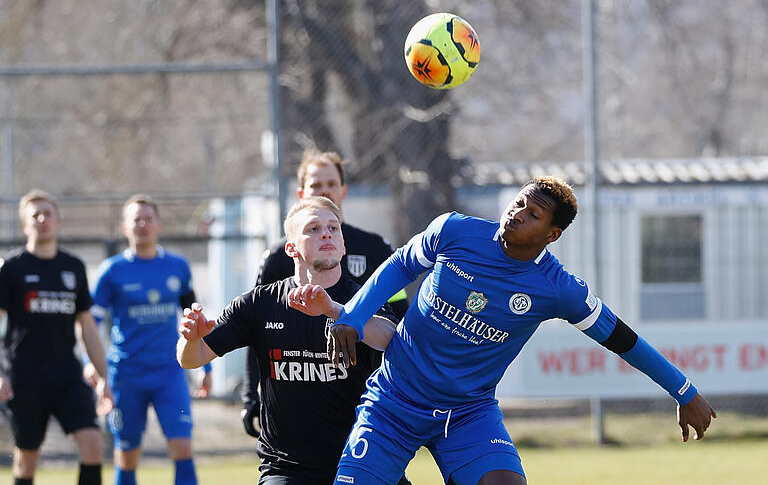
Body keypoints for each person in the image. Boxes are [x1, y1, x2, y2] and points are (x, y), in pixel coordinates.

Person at [291, 176, 717, 485]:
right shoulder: (455, 231)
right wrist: (352, 315)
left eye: (532, 215)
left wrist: (684, 391)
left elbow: (620, 337)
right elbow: (401, 265)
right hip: (393, 402)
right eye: (517, 204)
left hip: (467, 414)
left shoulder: (557, 289)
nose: (516, 215)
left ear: (552, 234)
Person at [176, 197, 411, 485]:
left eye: (333, 228)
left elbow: (392, 340)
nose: (326, 233)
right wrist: (191, 338)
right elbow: (191, 358)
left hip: (364, 459)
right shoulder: (260, 304)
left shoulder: (365, 299)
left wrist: (337, 312)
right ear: (291, 248)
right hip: (288, 469)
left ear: (343, 245)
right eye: (312, 229)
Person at [240, 149, 408, 438]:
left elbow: (401, 319)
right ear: (301, 193)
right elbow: (255, 328)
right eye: (316, 185)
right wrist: (250, 394)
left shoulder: (375, 248)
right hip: (299, 394)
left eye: (331, 183)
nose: (325, 190)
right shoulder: (280, 257)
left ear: (343, 189)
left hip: (366, 390)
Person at [90, 194, 210, 485]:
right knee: (127, 453)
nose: (142, 225)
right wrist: (92, 366)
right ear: (125, 228)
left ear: (158, 224)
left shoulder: (178, 267)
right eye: (136, 220)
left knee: (182, 446)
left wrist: (206, 367)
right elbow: (90, 323)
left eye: (148, 219)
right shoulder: (111, 271)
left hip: (169, 372)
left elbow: (196, 319)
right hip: (126, 373)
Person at [0, 189, 113, 485]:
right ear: (25, 225)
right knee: (27, 457)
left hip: (67, 374)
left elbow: (86, 326)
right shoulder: (11, 269)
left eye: (47, 213)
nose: (42, 219)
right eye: (34, 215)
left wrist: (103, 379)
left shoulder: (73, 267)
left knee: (93, 444)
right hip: (23, 376)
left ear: (58, 221)